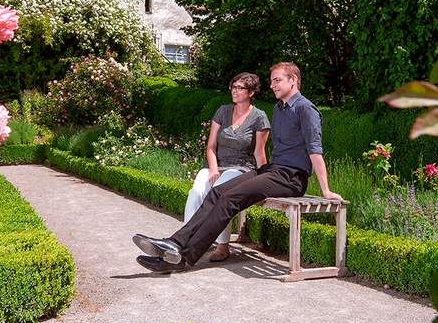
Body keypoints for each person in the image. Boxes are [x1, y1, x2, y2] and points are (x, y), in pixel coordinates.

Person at [133, 61, 343, 273]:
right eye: (271, 81)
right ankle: (174, 243)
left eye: (277, 80)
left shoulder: (306, 109)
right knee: (217, 192)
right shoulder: (279, 109)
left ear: (293, 80)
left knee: (230, 198)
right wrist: (261, 175)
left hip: (291, 177)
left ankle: (182, 258)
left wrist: (325, 190)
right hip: (272, 171)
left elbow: (315, 151)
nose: (272, 85)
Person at [183, 72, 270, 262]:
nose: (234, 91)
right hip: (215, 165)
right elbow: (211, 146)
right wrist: (213, 168)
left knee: (221, 193)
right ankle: (186, 240)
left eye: (240, 88)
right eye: (233, 87)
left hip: (241, 168)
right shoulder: (222, 111)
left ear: (251, 92)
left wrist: (265, 179)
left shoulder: (259, 117)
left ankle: (222, 245)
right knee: (196, 192)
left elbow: (259, 153)